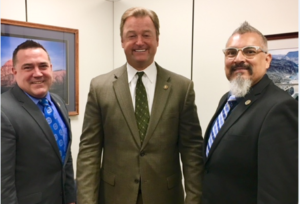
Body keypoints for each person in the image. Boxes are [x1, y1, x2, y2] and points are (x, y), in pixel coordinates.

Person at [76, 7, 203, 204]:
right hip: (114, 197)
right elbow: (89, 151)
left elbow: (192, 151)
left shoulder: (182, 88)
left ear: (157, 40)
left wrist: (194, 200)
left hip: (166, 198)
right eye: (131, 35)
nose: (139, 42)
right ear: (122, 41)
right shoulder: (99, 87)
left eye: (146, 35)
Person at [202, 22, 298, 204]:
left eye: (250, 51)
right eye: (231, 52)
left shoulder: (280, 108)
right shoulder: (227, 99)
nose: (238, 58)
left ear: (267, 60)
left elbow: (278, 194)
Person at [1, 40, 76, 204]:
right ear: (14, 71)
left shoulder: (58, 102)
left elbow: (65, 158)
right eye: (28, 67)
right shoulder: (3, 111)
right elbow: (3, 181)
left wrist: (71, 197)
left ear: (50, 67)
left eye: (43, 66)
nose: (37, 73)